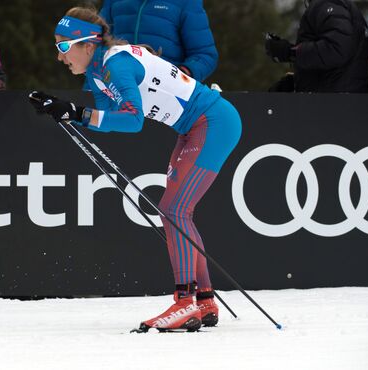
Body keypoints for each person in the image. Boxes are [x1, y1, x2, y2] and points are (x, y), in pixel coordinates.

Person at [29, 7, 241, 332]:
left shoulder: (116, 63)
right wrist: (67, 111)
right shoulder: (97, 72)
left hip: (213, 122)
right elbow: (108, 119)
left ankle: (185, 303)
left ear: (86, 44)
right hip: (192, 128)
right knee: (177, 212)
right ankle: (204, 299)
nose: (59, 57)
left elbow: (133, 120)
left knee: (174, 211)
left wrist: (77, 113)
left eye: (62, 47)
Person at [98, 0, 218, 82]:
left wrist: (180, 75)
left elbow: (205, 55)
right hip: (115, 90)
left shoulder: (186, 3)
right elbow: (97, 45)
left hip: (164, 97)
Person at [265, 0, 368, 93]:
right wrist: (296, 82)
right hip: (345, 102)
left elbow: (336, 50)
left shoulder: (326, 3)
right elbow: (343, 66)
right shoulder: (347, 10)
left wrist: (290, 52)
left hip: (332, 105)